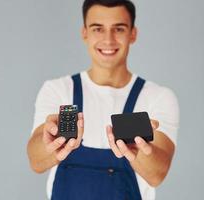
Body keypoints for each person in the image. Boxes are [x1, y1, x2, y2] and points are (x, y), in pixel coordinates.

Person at [27, 0, 179, 199]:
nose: (108, 40)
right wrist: (50, 145)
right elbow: (36, 162)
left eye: (119, 29)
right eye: (98, 29)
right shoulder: (59, 90)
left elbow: (157, 175)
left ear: (133, 34)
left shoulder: (157, 97)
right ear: (85, 33)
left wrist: (139, 152)